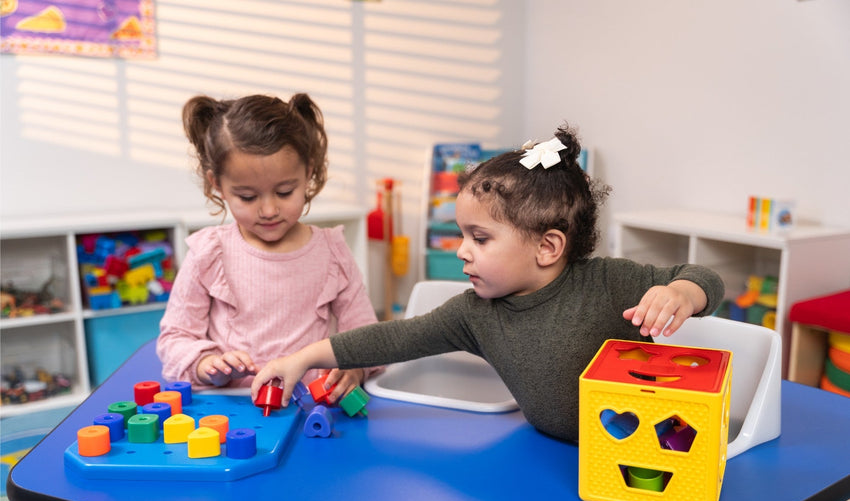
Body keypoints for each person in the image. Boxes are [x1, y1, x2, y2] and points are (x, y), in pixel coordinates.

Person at [251, 123, 725, 443]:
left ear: (547, 247)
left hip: (651, 448)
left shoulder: (608, 282)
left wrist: (681, 293)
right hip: (551, 460)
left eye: (480, 238)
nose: (462, 250)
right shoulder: (475, 313)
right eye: (463, 235)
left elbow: (704, 277)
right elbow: (395, 336)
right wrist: (302, 357)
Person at [157, 93, 379, 398]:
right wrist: (207, 363)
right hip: (231, 409)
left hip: (310, 407)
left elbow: (366, 335)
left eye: (285, 191)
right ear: (217, 184)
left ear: (308, 173)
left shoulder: (333, 251)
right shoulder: (209, 253)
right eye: (248, 197)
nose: (269, 210)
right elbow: (175, 337)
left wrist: (354, 368)